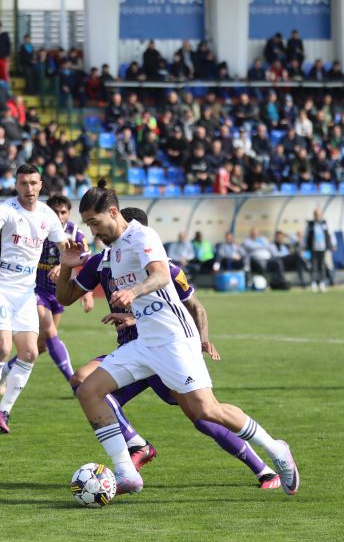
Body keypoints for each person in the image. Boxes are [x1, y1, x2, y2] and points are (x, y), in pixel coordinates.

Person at [66, 180, 300, 497]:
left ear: (113, 212)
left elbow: (161, 275)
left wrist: (132, 292)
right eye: (88, 225)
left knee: (206, 411)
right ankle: (126, 473)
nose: (93, 231)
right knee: (88, 390)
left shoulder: (142, 236)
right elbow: (66, 297)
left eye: (95, 222)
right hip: (144, 342)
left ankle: (276, 449)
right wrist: (68, 267)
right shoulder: (113, 250)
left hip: (174, 338)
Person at [0, 163, 76, 434]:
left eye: (33, 183)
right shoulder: (7, 209)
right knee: (3, 348)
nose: (28, 188)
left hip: (26, 292)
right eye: (23, 183)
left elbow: (64, 245)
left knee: (30, 353)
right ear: (16, 185)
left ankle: (3, 411)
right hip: (0, 287)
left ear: (41, 185)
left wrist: (65, 263)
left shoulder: (47, 214)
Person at [0, 193, 92, 392]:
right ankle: (74, 383)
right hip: (34, 289)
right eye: (55, 211)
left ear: (69, 213)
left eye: (63, 212)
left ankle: (5, 371)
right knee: (50, 331)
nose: (59, 215)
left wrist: (87, 291)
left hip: (59, 293)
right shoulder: (37, 228)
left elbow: (86, 256)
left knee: (42, 345)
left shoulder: (75, 233)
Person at [302, 208, 330, 291]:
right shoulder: (310, 224)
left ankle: (322, 282)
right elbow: (306, 235)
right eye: (316, 214)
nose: (317, 216)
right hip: (313, 248)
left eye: (319, 214)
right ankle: (313, 283)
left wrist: (332, 244)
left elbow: (329, 234)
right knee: (313, 266)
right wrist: (304, 246)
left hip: (322, 248)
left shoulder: (325, 223)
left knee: (322, 266)